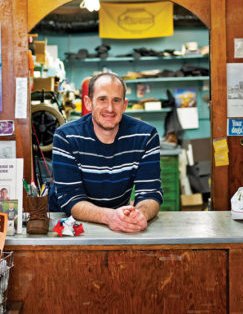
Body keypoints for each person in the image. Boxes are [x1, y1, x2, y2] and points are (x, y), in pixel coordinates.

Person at [50, 72, 163, 233]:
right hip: (69, 226)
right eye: (102, 99)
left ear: (124, 105)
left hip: (117, 223)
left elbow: (150, 192)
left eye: (116, 100)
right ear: (88, 103)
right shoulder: (66, 137)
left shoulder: (145, 136)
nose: (110, 108)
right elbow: (71, 199)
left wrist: (140, 215)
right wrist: (110, 217)